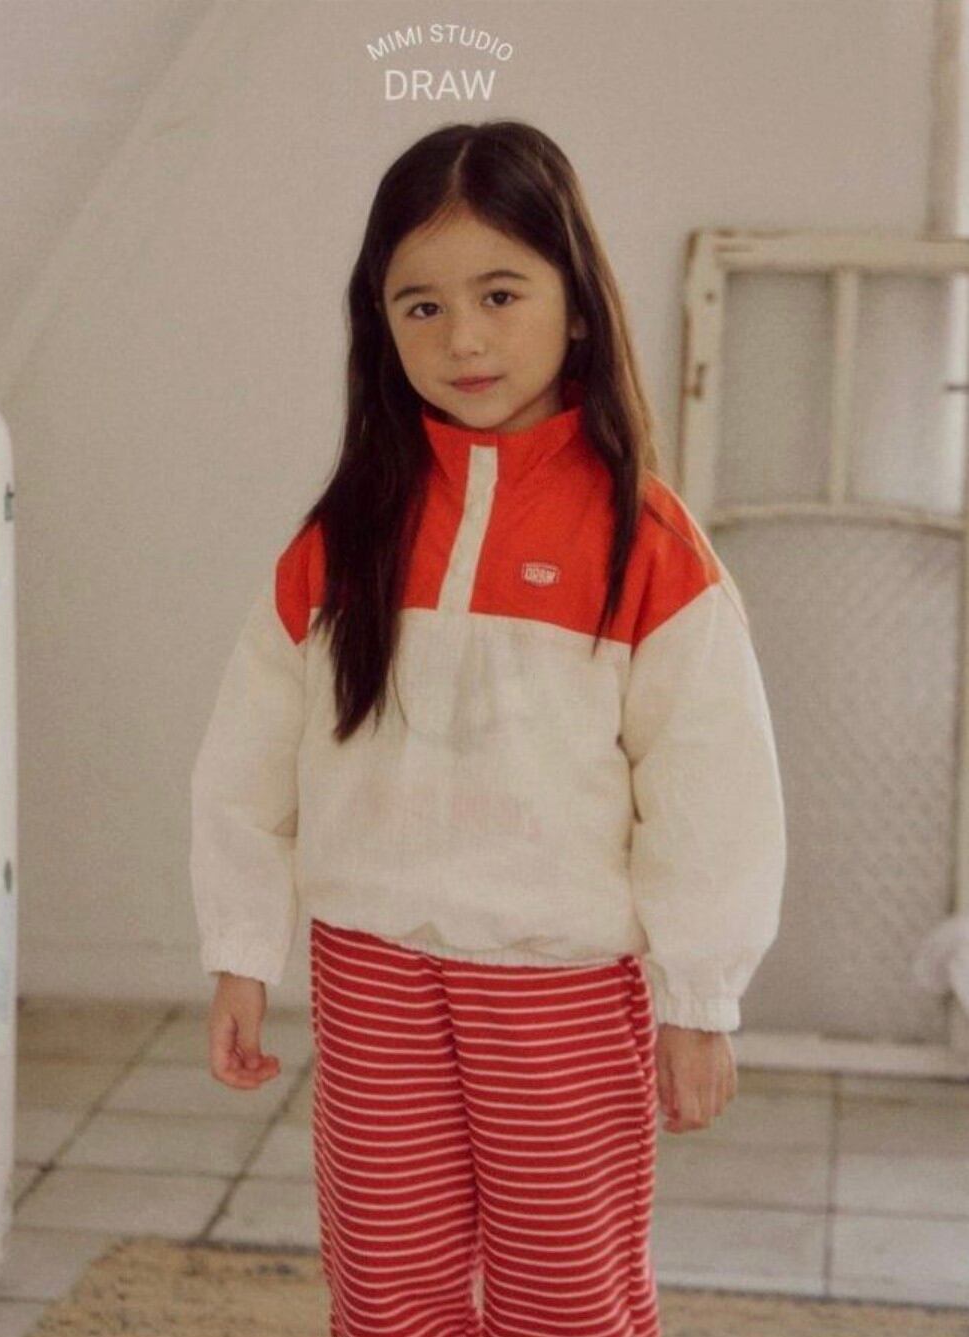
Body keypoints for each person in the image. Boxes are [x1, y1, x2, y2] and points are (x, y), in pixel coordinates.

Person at [189, 118, 787, 1337]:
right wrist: (241, 944)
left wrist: (698, 995)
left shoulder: (647, 546)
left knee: (565, 1294)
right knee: (385, 1284)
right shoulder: (342, 536)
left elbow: (712, 792)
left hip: (559, 986)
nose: (461, 336)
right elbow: (247, 760)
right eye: (420, 305)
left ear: (576, 306)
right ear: (379, 323)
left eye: (499, 294)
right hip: (370, 972)